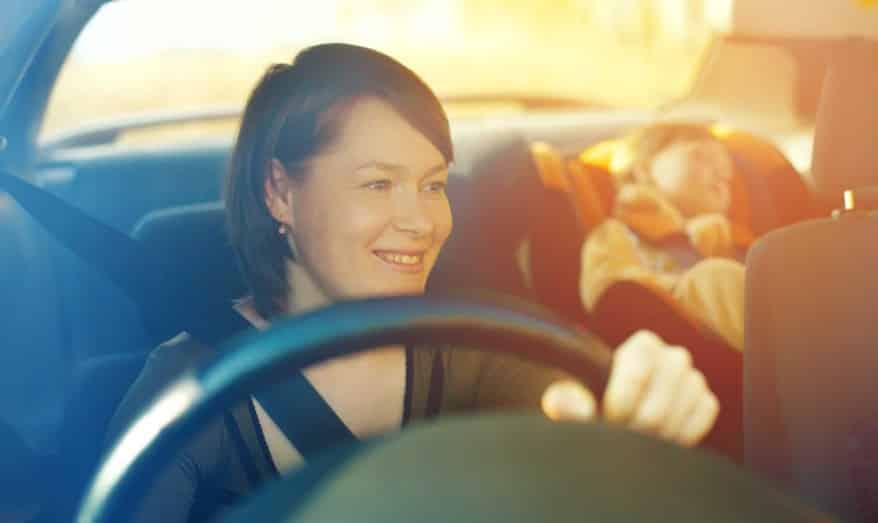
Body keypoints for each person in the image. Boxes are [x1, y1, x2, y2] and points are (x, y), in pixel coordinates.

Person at [106, 44, 719, 523]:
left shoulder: (474, 346)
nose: (422, 222)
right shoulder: (185, 394)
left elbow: (570, 415)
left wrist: (636, 407)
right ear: (279, 191)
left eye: (432, 185)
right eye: (378, 184)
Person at [574, 124, 750, 350]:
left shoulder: (733, 241)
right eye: (700, 157)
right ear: (645, 170)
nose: (722, 173)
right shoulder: (618, 233)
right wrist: (689, 289)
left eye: (727, 171)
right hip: (674, 340)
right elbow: (613, 295)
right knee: (714, 276)